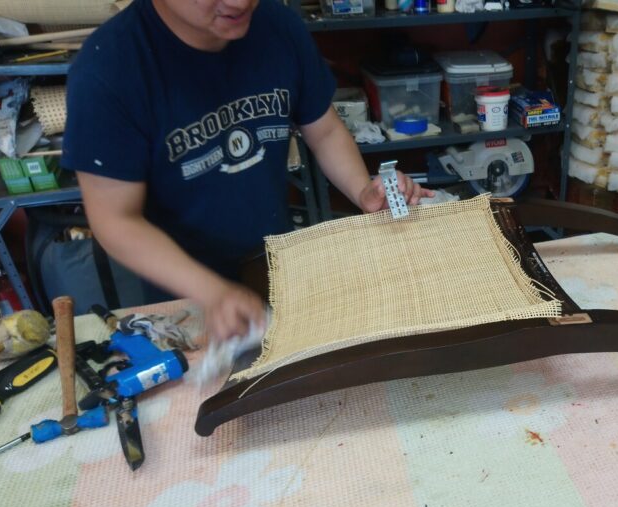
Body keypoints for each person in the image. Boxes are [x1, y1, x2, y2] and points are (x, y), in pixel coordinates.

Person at [62, 0, 432, 341]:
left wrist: (362, 189)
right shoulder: (109, 69)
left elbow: (326, 131)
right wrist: (213, 293)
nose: (240, 3)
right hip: (186, 291)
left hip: (276, 263)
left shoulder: (275, 24)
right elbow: (114, 219)